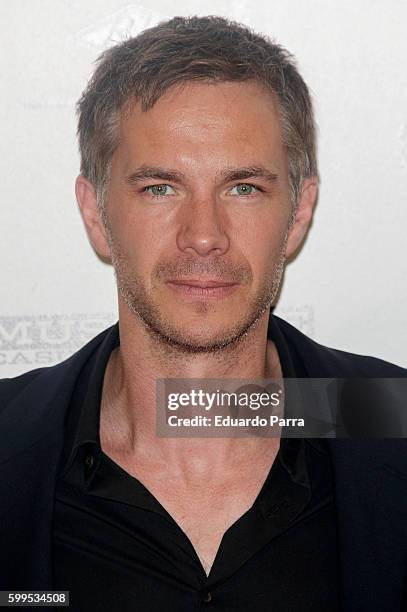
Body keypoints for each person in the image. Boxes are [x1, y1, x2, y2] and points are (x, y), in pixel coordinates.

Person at [0, 15, 406, 612]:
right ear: (95, 214)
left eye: (243, 187)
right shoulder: (11, 442)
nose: (203, 236)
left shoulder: (394, 422)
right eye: (159, 187)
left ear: (298, 213)